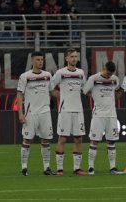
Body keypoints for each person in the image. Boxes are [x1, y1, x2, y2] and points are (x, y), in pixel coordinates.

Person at [17, 51, 55, 176]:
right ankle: (24, 168)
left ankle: (47, 168)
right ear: (32, 61)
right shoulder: (25, 76)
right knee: (27, 139)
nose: (40, 62)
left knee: (46, 140)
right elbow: (19, 95)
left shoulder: (47, 75)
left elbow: (52, 91)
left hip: (45, 112)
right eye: (38, 59)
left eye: (42, 59)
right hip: (30, 113)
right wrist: (20, 114)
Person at [51, 48, 88, 176]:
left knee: (79, 139)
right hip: (65, 110)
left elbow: (85, 88)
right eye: (71, 56)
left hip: (78, 110)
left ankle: (77, 168)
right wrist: (59, 95)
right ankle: (60, 169)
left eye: (75, 56)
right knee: (62, 139)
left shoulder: (81, 73)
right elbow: (50, 87)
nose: (74, 59)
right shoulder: (60, 73)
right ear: (66, 58)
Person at [83, 61, 121, 175]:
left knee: (111, 141)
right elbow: (85, 91)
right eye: (108, 73)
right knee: (94, 141)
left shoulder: (115, 79)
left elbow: (117, 90)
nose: (109, 76)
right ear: (104, 68)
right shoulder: (93, 79)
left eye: (111, 74)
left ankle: (113, 167)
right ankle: (90, 167)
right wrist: (94, 95)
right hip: (98, 114)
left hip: (112, 114)